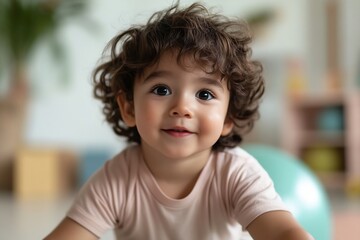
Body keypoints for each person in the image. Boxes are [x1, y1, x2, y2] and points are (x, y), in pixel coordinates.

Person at [44, 2, 313, 240]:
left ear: (228, 117)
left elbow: (282, 231)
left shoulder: (236, 173)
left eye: (204, 94)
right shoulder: (116, 180)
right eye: (161, 90)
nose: (182, 108)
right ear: (128, 107)